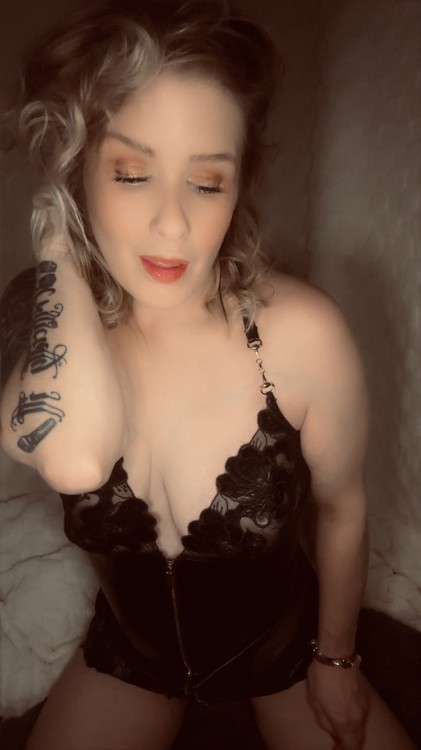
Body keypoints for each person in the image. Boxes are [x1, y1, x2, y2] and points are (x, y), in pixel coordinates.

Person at [0, 1, 415, 749]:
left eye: (207, 182)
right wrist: (58, 237)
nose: (173, 224)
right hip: (132, 660)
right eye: (131, 173)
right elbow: (74, 460)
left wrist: (336, 658)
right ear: (77, 170)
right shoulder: (50, 320)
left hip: (284, 657)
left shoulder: (303, 336)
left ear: (238, 188)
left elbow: (343, 508)